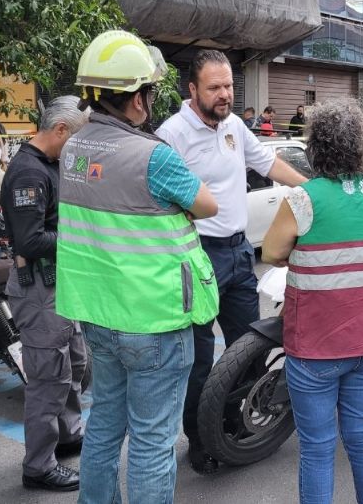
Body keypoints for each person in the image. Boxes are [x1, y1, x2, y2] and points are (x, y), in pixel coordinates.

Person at [56, 30, 220, 503]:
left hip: (98, 315)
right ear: (138, 99)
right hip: (153, 319)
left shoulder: (74, 149)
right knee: (152, 440)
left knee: (106, 423)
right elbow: (206, 204)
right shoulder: (154, 156)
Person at [155, 49, 307, 474]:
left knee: (250, 346)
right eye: (215, 87)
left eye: (229, 86)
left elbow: (270, 163)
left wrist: (315, 189)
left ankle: (235, 425)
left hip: (240, 254)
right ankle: (200, 439)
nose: (224, 95)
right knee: (199, 358)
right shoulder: (172, 135)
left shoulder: (234, 126)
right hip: (195, 256)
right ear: (192, 89)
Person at [261, 97, 363, 504]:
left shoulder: (305, 198)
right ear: (361, 146)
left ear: (315, 148)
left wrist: (303, 253)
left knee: (319, 449)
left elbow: (270, 253)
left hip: (317, 347)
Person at [0, 96, 90, 492]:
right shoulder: (28, 174)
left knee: (74, 364)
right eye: (79, 138)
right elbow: (30, 240)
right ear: (61, 131)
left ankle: (68, 435)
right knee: (48, 379)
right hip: (38, 288)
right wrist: (81, 235)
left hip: (59, 285)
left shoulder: (49, 165)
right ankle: (38, 466)